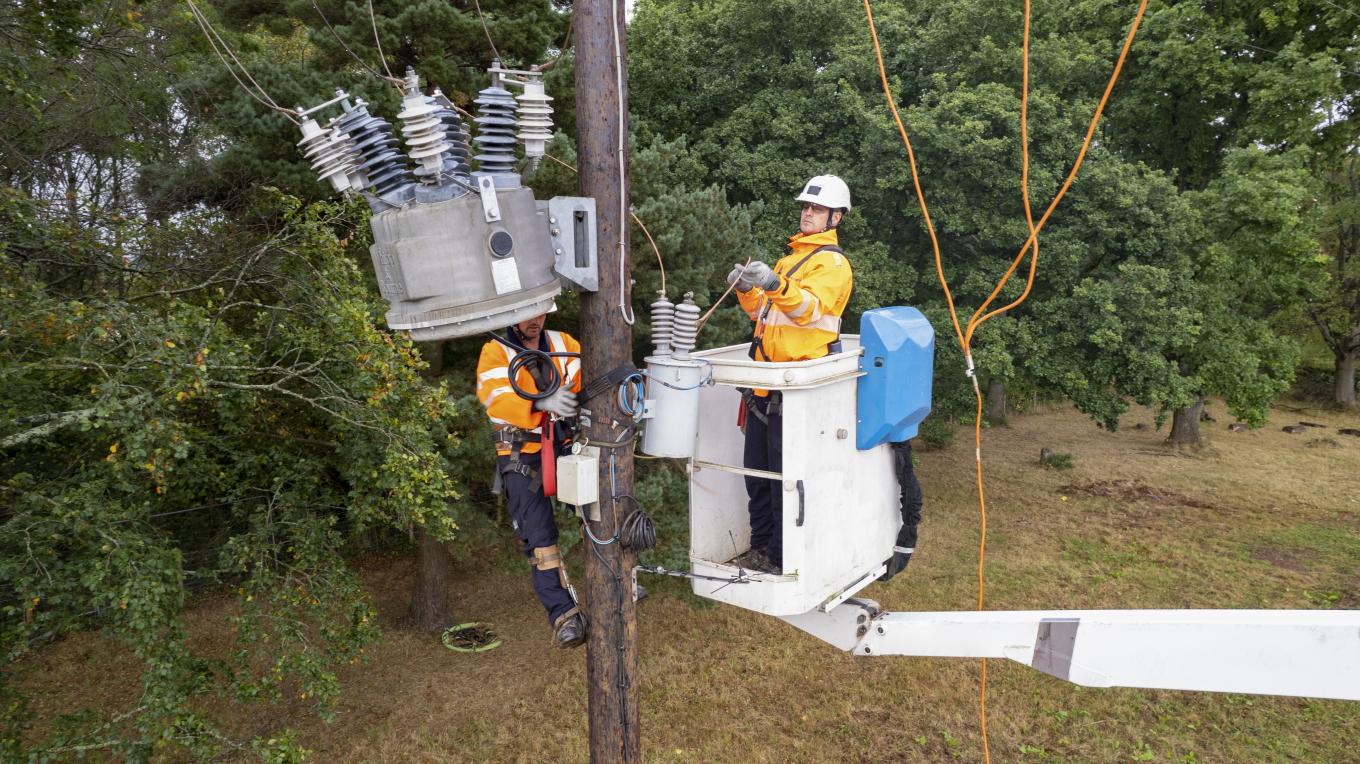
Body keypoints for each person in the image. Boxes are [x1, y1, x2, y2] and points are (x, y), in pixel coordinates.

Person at [726, 175, 854, 573]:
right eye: (805, 206)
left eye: (816, 208)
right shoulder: (789, 260)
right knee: (757, 478)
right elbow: (762, 316)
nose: (807, 212)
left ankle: (782, 558)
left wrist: (773, 283)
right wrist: (747, 290)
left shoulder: (833, 265)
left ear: (836, 217)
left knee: (784, 482)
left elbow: (808, 310)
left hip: (793, 394)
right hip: (765, 389)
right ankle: (761, 548)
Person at [475, 313, 586, 648]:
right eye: (525, 317)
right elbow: (495, 397)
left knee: (598, 510)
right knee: (540, 540)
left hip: (562, 442)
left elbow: (583, 382)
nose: (533, 321)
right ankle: (564, 617)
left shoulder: (564, 344)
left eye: (538, 314)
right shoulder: (496, 352)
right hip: (521, 454)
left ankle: (620, 581)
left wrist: (571, 402)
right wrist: (539, 401)